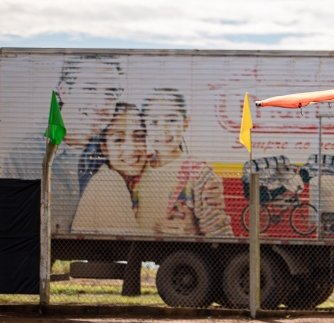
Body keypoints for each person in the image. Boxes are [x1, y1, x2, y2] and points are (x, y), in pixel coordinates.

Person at [0, 55, 123, 233]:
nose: (101, 104)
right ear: (64, 91)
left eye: (110, 94)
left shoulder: (113, 156)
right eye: (90, 89)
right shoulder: (24, 156)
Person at [136, 89, 232, 237]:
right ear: (145, 127)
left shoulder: (199, 174)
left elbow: (219, 234)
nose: (163, 130)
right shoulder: (137, 168)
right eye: (154, 122)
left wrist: (194, 234)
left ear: (185, 123)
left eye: (171, 120)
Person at [72, 104, 145, 233]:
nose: (131, 148)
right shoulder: (108, 181)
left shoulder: (136, 183)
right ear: (104, 148)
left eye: (138, 137)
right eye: (118, 140)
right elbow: (128, 240)